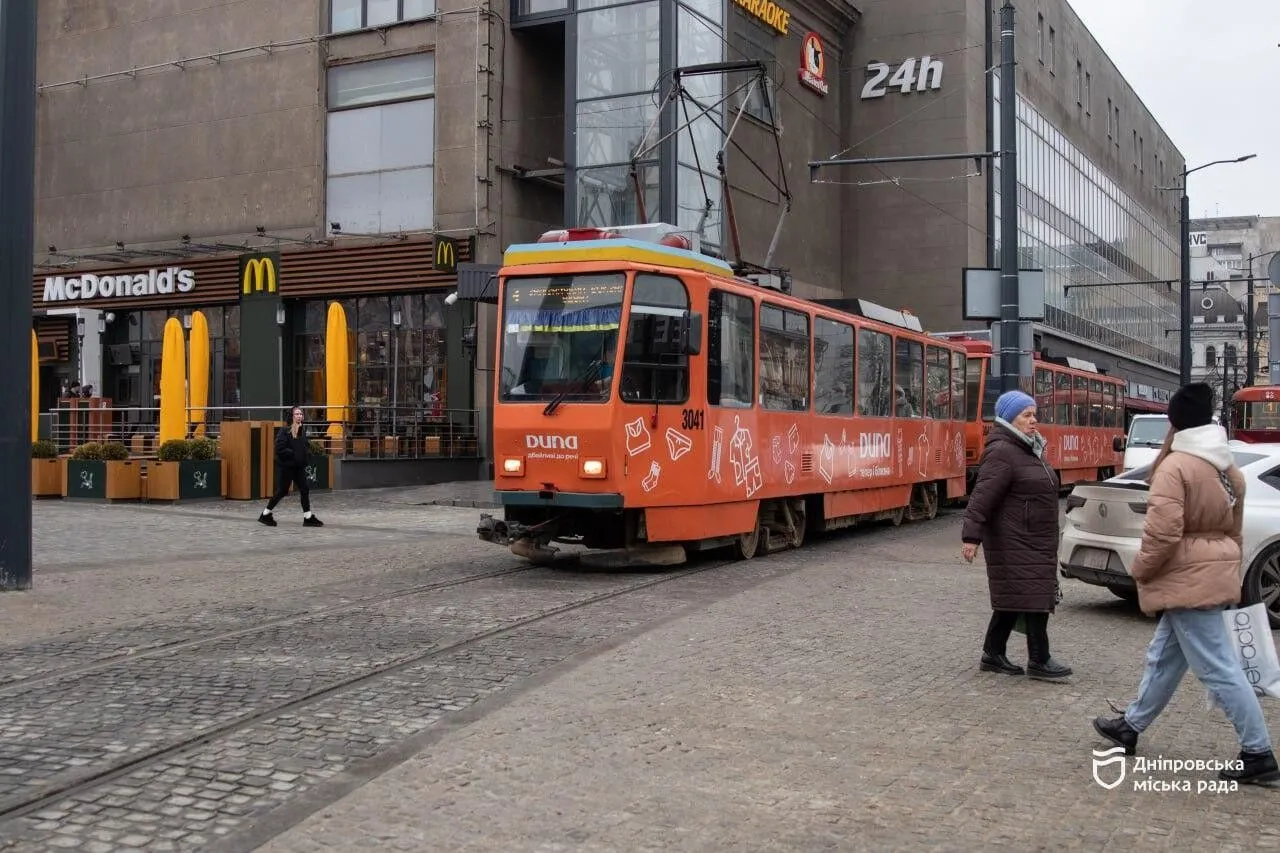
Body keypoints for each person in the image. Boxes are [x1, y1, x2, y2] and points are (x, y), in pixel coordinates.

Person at [1093, 383, 1277, 785]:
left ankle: (1258, 752)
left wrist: (1141, 569)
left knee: (1219, 669)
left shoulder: (1176, 467)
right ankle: (1131, 726)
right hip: (1208, 573)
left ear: (1174, 422)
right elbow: (1234, 529)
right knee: (1164, 656)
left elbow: (1162, 533)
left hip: (1186, 578)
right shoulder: (1223, 465)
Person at [961, 390, 1072, 680]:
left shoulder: (1028, 448)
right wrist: (971, 538)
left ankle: (993, 653)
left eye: (1035, 414)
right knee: (1034, 597)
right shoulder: (1003, 451)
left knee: (1016, 598)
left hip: (1032, 538)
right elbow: (981, 497)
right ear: (1010, 418)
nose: (1034, 420)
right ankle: (1039, 659)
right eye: (1026, 414)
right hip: (1015, 540)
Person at [258, 406, 324, 528]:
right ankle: (265, 514)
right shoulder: (285, 431)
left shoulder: (301, 430)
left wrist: (306, 454)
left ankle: (308, 517)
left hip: (298, 467)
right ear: (292, 417)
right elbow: (280, 448)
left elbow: (303, 446)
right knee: (282, 491)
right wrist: (294, 454)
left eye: (301, 414)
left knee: (304, 489)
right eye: (297, 414)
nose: (299, 416)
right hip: (288, 467)